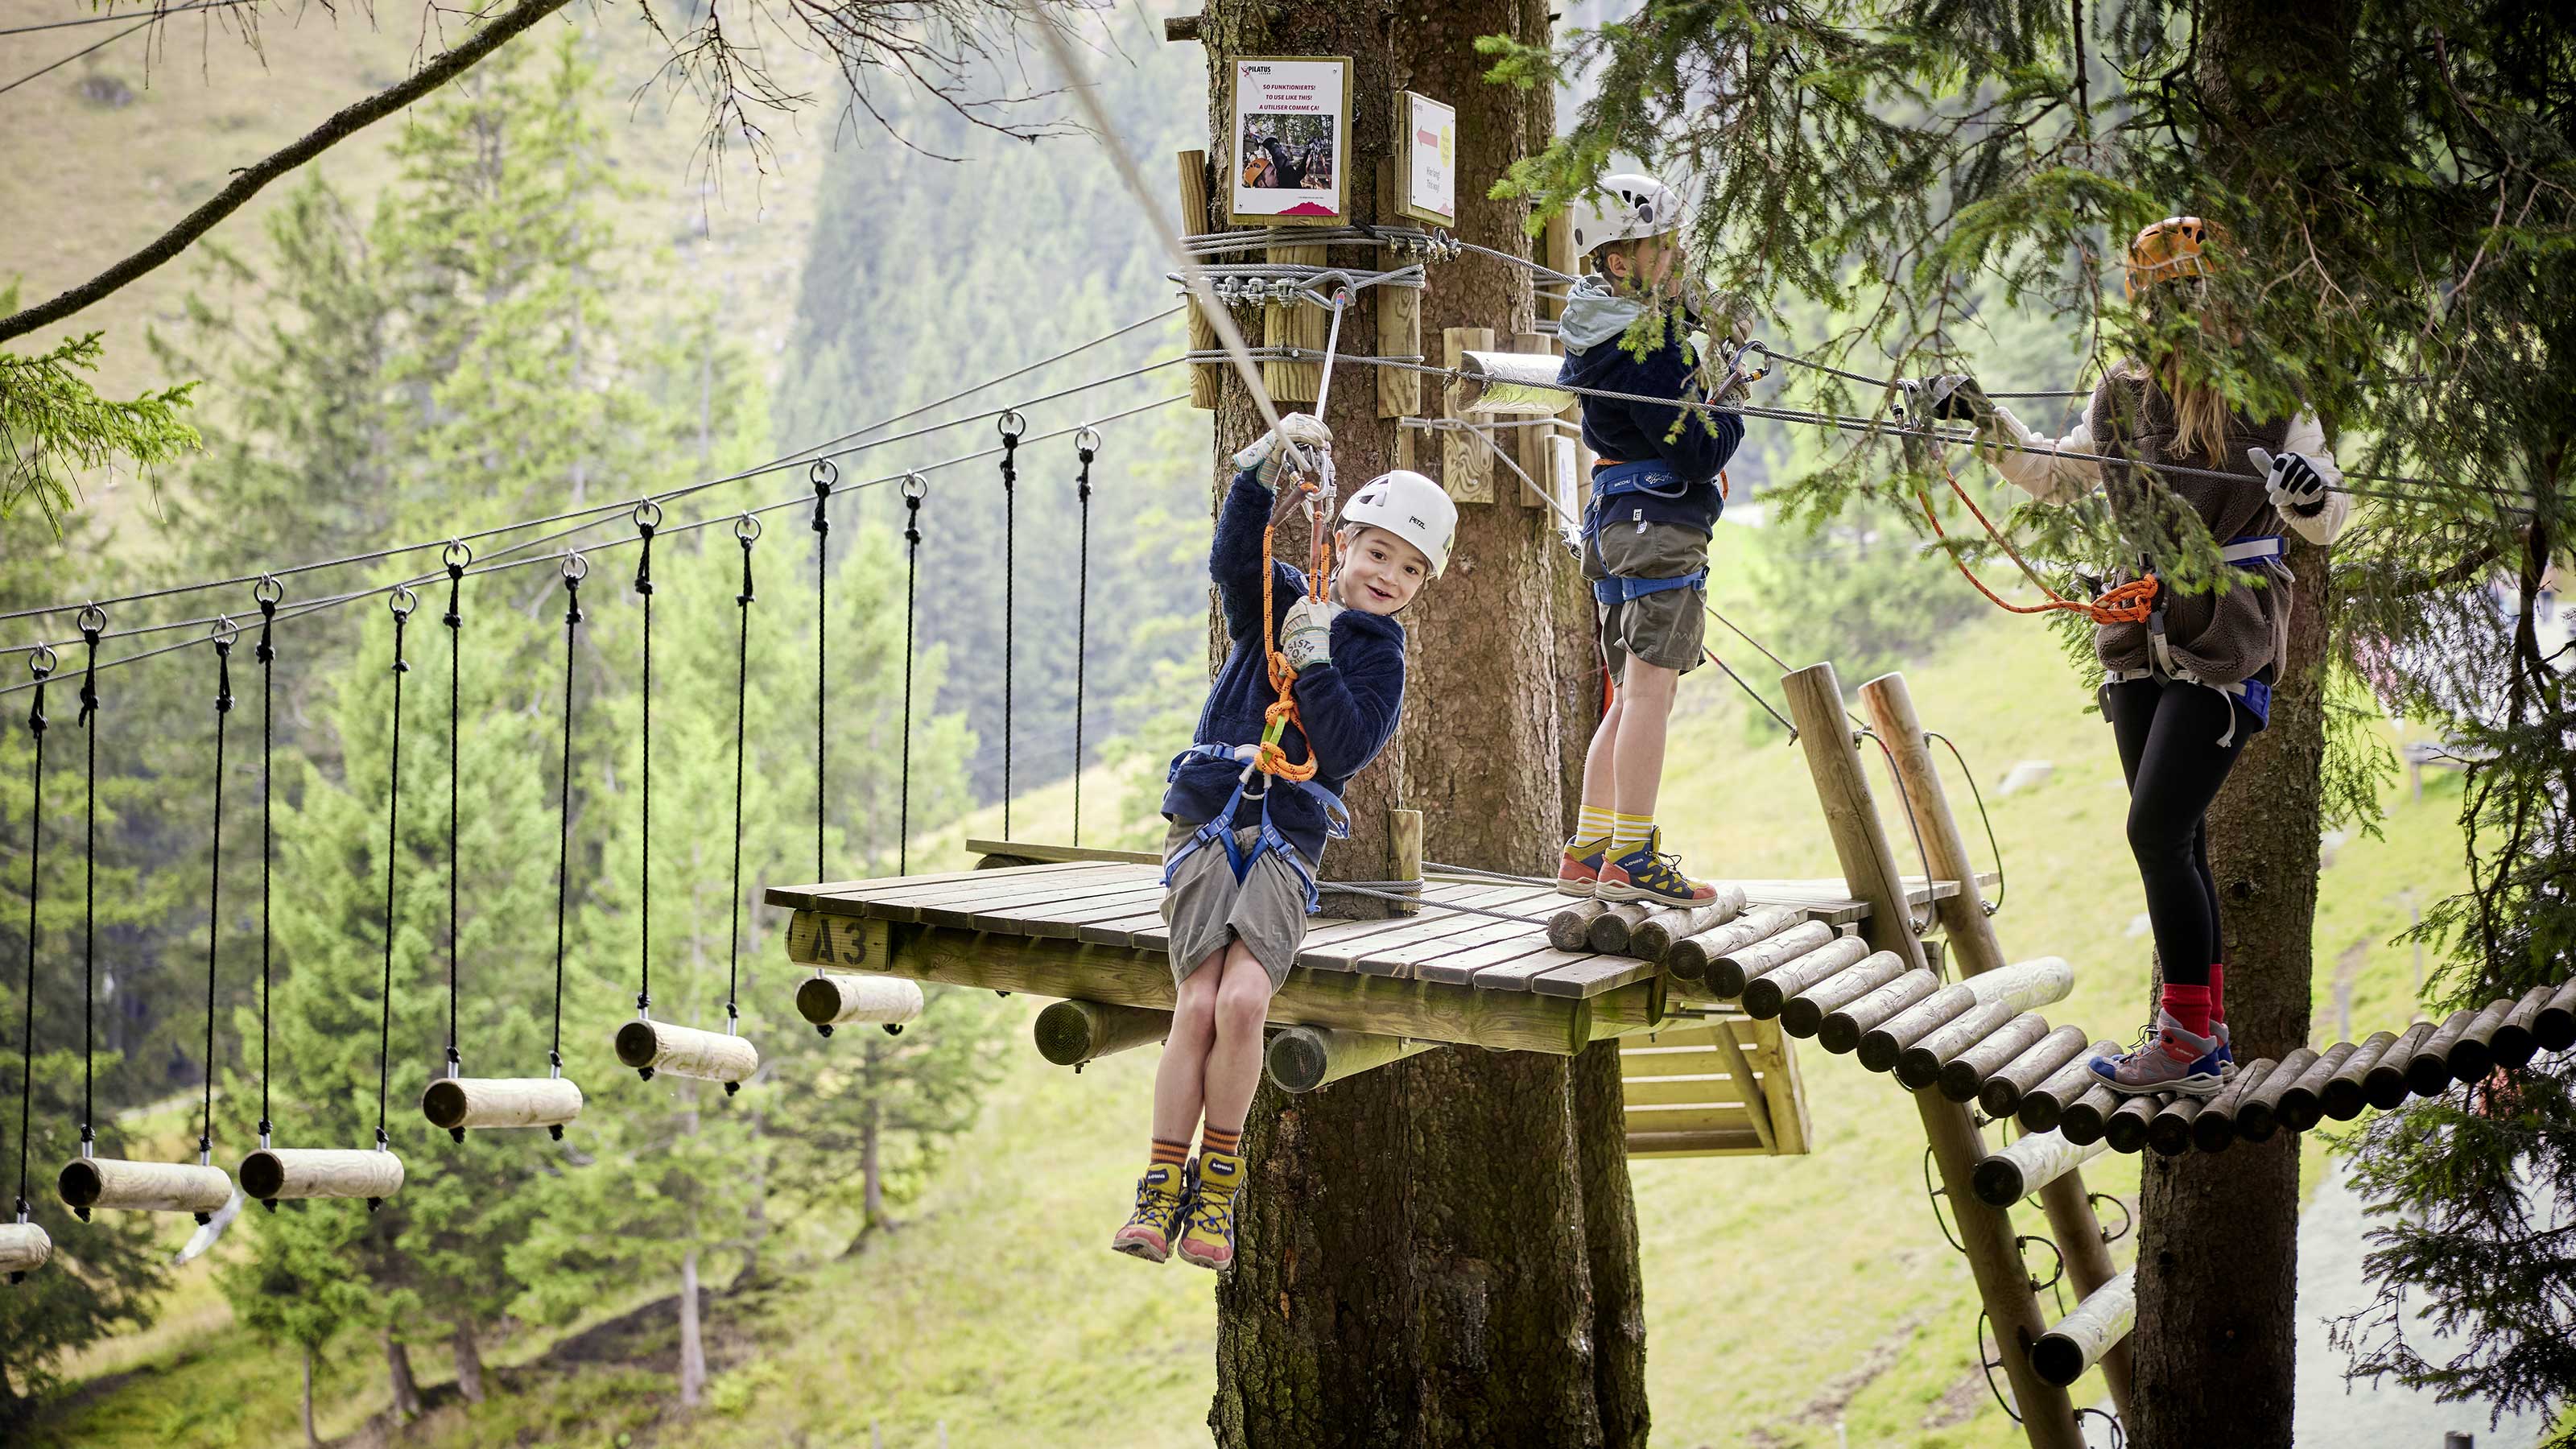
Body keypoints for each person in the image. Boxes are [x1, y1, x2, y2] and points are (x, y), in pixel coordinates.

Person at [1923, 215, 2352, 1096]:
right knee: (2176, 839)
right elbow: (2058, 474)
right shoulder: (2120, 393)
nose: (2180, 309)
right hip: (2139, 633)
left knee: (2154, 832)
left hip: (2225, 635)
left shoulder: (2273, 395)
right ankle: (2201, 1038)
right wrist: (1984, 418)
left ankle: (2184, 1041)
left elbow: (2326, 520)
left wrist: (2306, 494)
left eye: (2195, 291)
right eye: (2165, 295)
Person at [1111, 415, 1458, 1270]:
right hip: (1211, 812)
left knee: (1241, 1003)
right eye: (1378, 553)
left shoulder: (1381, 660)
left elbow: (1344, 746)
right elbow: (1232, 561)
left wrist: (1316, 663)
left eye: (1410, 568)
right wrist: (1258, 475)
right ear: (1343, 543)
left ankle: (1216, 1190)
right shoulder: (1282, 598)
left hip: (1285, 834)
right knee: (1196, 1004)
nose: (1389, 576)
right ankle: (1159, 1187)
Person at [1554, 173, 1747, 905]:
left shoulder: (1592, 327)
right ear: (1618, 260)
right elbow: (1698, 450)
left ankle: (1590, 848)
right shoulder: (1650, 342)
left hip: (1616, 521)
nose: (1678, 255)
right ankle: (1631, 856)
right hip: (1659, 523)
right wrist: (1730, 393)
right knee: (1650, 695)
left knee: (1631, 695)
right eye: (1662, 245)